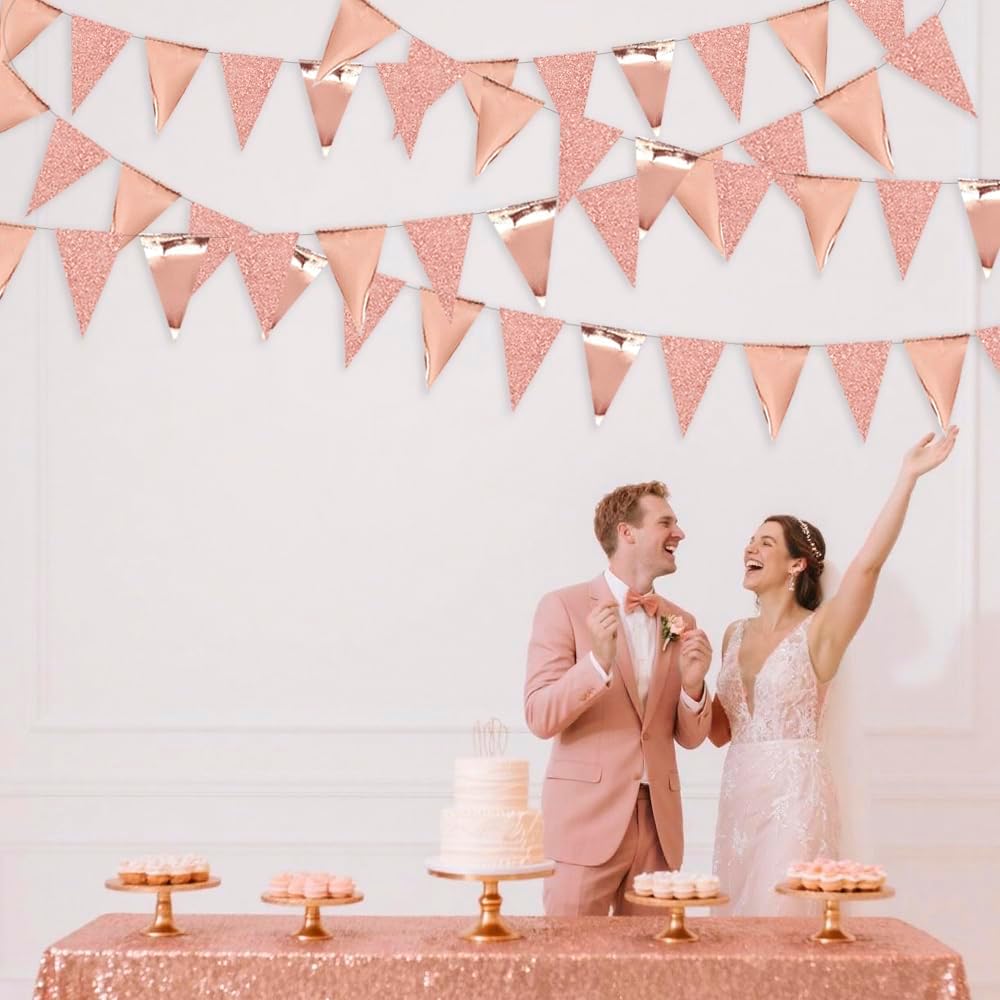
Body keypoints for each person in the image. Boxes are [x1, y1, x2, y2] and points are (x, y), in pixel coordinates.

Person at [711, 427, 959, 915]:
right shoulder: (732, 634)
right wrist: (691, 682)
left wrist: (907, 477)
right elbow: (723, 732)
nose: (750, 549)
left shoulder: (820, 631)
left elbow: (867, 567)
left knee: (780, 921)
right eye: (750, 541)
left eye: (765, 543)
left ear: (796, 565)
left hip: (794, 799)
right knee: (736, 922)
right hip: (737, 798)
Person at [524, 481, 713, 916]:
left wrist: (693, 687)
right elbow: (539, 716)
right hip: (584, 824)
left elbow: (689, 738)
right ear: (627, 532)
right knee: (571, 955)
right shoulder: (563, 606)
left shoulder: (681, 620)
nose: (679, 533)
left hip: (659, 827)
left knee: (653, 957)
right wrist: (597, 664)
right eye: (666, 522)